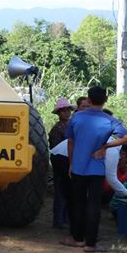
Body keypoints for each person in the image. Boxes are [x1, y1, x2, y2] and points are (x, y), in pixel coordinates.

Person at [63, 86, 127, 252]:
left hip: (78, 167)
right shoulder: (109, 120)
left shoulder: (77, 117)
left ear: (89, 99)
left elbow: (70, 142)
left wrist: (71, 163)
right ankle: (90, 243)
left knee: (78, 203)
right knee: (94, 205)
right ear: (105, 100)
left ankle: (77, 238)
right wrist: (106, 146)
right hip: (97, 169)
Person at [49, 98, 74, 229]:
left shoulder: (70, 126)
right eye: (63, 111)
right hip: (60, 162)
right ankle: (59, 220)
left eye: (68, 110)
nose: (66, 113)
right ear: (59, 113)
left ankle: (64, 219)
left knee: (67, 191)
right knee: (60, 191)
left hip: (68, 161)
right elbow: (56, 149)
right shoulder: (57, 129)